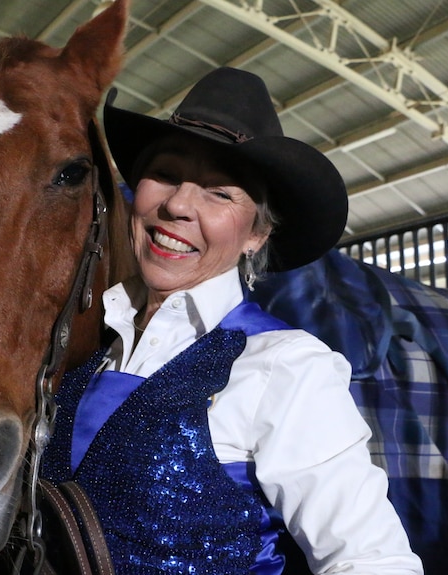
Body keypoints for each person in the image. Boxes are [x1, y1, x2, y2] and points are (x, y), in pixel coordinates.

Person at [42, 67, 423, 574]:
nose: (178, 204)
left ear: (255, 236)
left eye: (219, 193)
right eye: (168, 175)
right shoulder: (89, 348)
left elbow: (372, 562)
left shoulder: (283, 367)